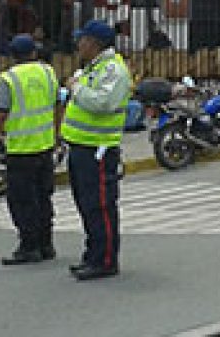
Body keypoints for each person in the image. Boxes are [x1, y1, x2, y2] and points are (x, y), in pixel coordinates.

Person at [63, 20, 132, 280]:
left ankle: (104, 260)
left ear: (94, 43)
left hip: (98, 149)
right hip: (81, 146)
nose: (78, 44)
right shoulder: (94, 67)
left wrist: (77, 88)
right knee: (85, 204)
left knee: (99, 205)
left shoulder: (113, 70)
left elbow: (103, 102)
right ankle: (93, 254)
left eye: (82, 40)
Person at [0, 35, 59, 266]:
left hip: (20, 150)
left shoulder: (9, 79)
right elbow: (58, 105)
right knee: (43, 197)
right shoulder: (48, 73)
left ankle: (29, 247)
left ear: (12, 56)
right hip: (45, 146)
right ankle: (46, 244)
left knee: (22, 201)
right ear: (34, 53)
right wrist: (57, 135)